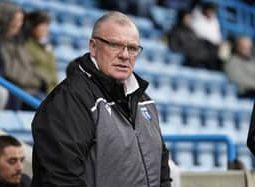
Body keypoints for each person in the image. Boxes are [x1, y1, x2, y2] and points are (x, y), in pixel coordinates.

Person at [31, 11, 171, 187]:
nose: (125, 55)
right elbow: (61, 179)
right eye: (115, 45)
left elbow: (162, 170)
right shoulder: (68, 100)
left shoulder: (144, 100)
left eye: (133, 48)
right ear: (93, 47)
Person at [0, 2, 46, 110]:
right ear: (6, 19)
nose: (18, 24)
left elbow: (30, 66)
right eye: (15, 20)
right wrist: (36, 81)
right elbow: (10, 71)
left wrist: (40, 80)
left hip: (29, 89)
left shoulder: (19, 42)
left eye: (20, 20)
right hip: (15, 90)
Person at [23, 10, 58, 94]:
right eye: (42, 25)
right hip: (36, 89)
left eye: (47, 25)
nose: (46, 29)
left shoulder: (48, 46)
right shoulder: (26, 45)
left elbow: (53, 70)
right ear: (33, 27)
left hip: (51, 89)